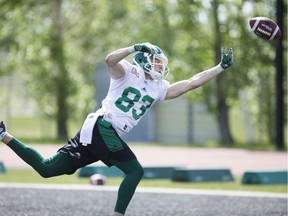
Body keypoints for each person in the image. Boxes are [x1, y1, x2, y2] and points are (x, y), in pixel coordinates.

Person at [0, 42, 233, 216]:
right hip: (103, 126)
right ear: (144, 60)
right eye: (157, 61)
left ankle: (2, 134)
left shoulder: (159, 87)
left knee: (46, 169)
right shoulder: (128, 72)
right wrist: (133, 47)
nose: (161, 66)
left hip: (96, 131)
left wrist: (220, 67)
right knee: (135, 171)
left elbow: (193, 83)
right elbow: (109, 60)